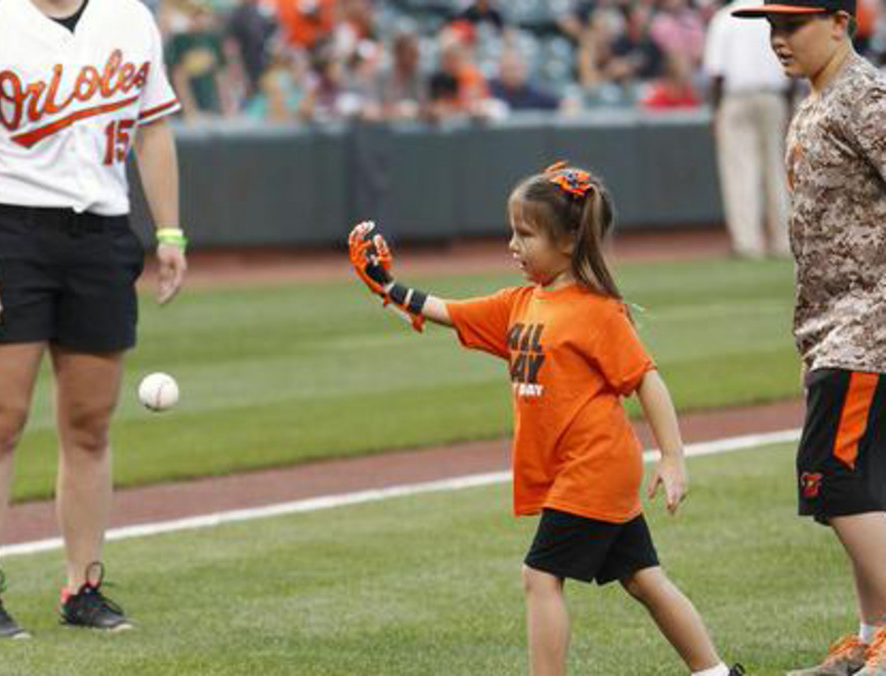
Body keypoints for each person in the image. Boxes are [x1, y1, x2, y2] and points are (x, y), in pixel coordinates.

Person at [347, 163, 744, 676]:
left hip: (594, 467)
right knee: (643, 578)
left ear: (570, 239)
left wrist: (672, 457)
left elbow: (647, 379)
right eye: (513, 231)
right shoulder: (521, 303)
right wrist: (386, 284)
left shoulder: (597, 311)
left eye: (526, 233)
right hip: (582, 470)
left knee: (540, 576)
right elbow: (448, 310)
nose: (513, 244)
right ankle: (713, 673)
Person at [0, 0, 187, 638]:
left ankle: (82, 584)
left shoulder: (129, 18)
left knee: (90, 423)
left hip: (103, 232)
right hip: (15, 232)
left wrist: (170, 231)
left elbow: (153, 130)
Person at [732, 1, 886, 674]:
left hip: (870, 324)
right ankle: (871, 639)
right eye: (769, 27)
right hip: (835, 328)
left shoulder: (864, 95)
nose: (777, 40)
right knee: (868, 486)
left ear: (838, 22)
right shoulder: (819, 99)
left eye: (791, 25)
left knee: (832, 479)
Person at [703, 0, 791, 259]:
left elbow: (716, 73)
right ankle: (784, 241)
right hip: (775, 96)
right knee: (777, 172)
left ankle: (748, 243)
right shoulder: (776, 14)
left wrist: (715, 111)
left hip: (736, 97)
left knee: (741, 171)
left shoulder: (724, 17)